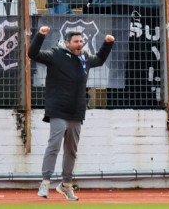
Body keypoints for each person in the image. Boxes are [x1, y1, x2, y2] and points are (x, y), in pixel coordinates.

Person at [28, 25, 114, 202]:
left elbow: (99, 59)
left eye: (81, 41)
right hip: (58, 109)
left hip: (77, 111)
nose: (80, 44)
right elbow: (33, 54)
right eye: (76, 42)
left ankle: (66, 185)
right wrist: (40, 35)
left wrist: (107, 44)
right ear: (67, 43)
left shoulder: (84, 57)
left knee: (71, 150)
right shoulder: (55, 55)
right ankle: (45, 182)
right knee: (54, 145)